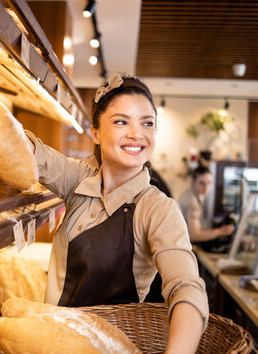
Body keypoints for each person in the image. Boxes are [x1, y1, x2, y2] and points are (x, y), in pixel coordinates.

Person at [25, 73, 208, 353]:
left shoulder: (157, 208)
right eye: (122, 122)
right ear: (95, 133)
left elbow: (186, 288)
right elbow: (32, 154)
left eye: (147, 123)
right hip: (52, 342)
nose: (137, 134)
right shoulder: (79, 179)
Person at [178, 166, 235, 243]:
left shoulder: (191, 194)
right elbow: (194, 235)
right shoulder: (192, 202)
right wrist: (221, 231)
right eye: (202, 183)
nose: (206, 187)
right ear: (193, 182)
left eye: (209, 183)